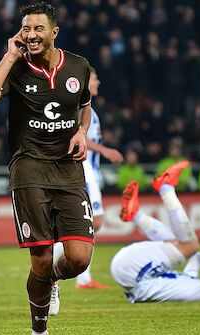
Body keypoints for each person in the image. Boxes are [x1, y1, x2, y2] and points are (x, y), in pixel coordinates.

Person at [0, 2, 95, 335]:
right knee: (40, 260)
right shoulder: (16, 67)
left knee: (79, 258)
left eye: (38, 28)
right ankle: (39, 332)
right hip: (28, 168)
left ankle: (54, 279)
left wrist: (82, 132)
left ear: (54, 32)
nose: (30, 35)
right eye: (25, 28)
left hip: (68, 169)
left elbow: (85, 107)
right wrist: (10, 57)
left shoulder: (78, 66)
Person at [111, 160, 200, 302]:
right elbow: (197, 258)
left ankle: (166, 188)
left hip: (134, 272)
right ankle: (136, 215)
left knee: (191, 246)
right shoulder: (193, 284)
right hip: (131, 274)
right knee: (181, 246)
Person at [51, 68, 123, 304]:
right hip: (83, 171)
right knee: (94, 222)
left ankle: (81, 275)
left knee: (92, 223)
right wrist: (105, 150)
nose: (98, 81)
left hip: (91, 171)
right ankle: (57, 259)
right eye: (94, 77)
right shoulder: (80, 109)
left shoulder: (90, 110)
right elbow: (80, 137)